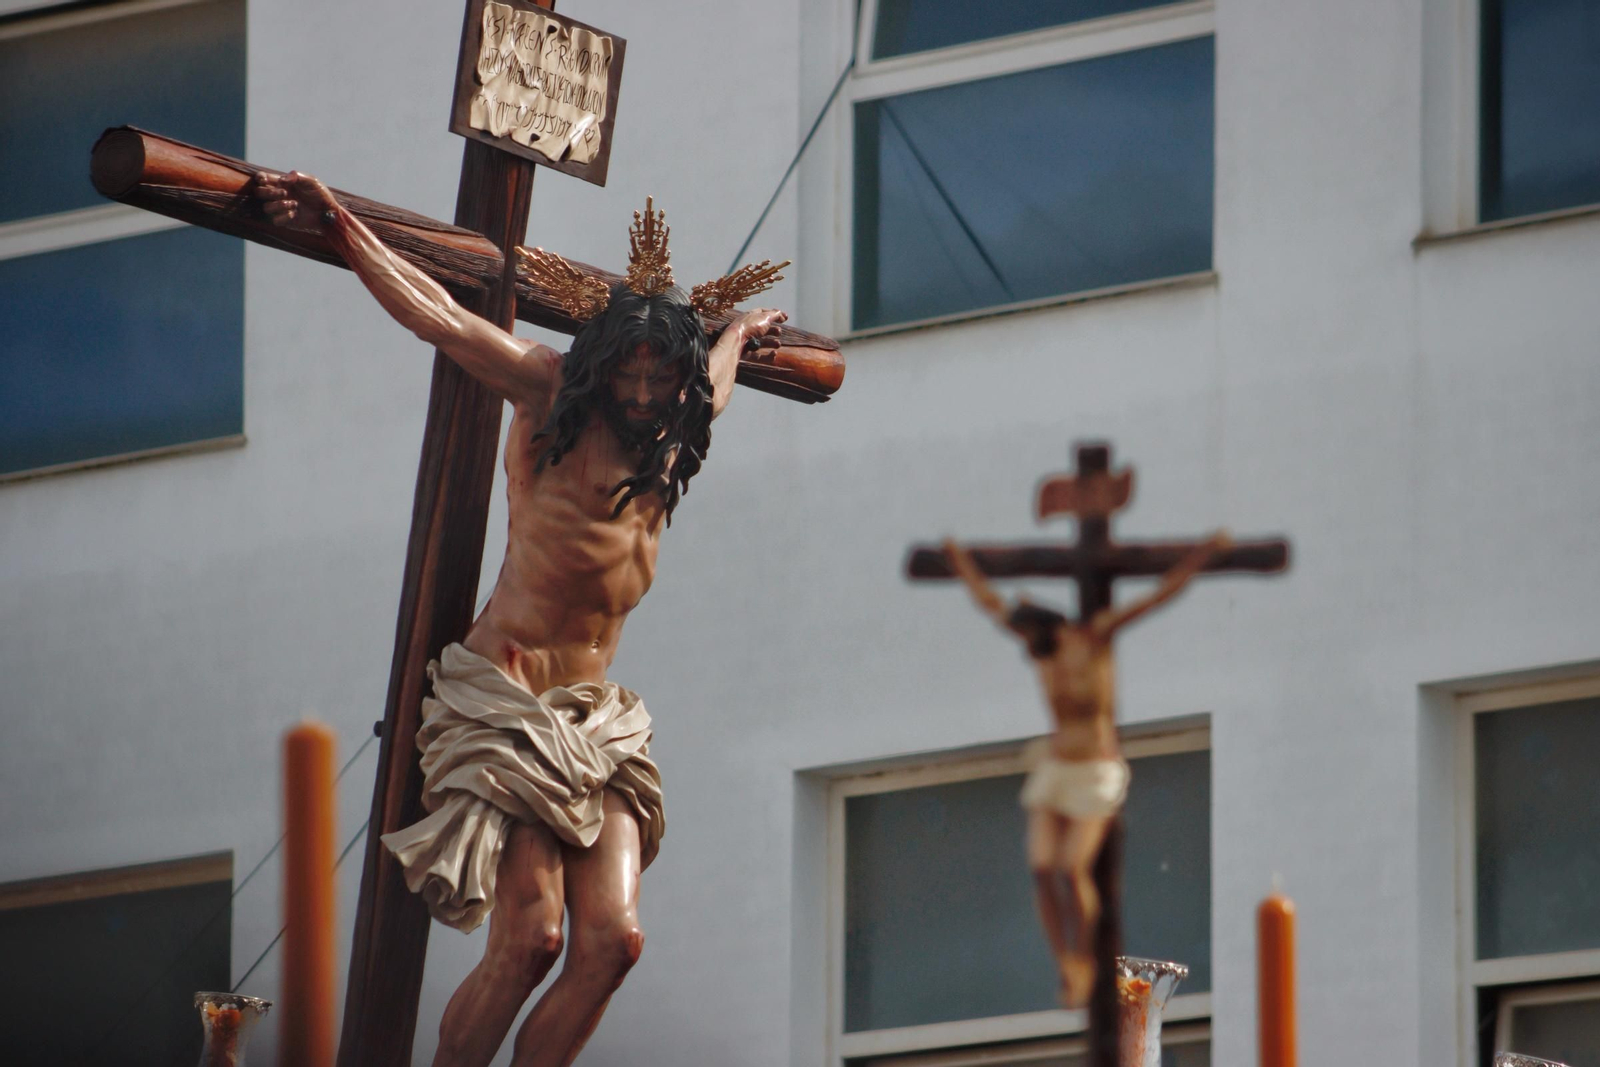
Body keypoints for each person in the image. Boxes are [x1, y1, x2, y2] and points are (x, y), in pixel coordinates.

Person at [257, 171, 787, 1067]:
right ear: (605, 355)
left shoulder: (680, 424)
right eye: (632, 364)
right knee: (531, 939)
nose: (648, 386)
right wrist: (341, 225)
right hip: (504, 698)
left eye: (665, 369)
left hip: (594, 719)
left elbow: (720, 381)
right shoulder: (548, 397)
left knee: (613, 942)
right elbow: (440, 316)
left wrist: (735, 332)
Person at [941, 533, 1230, 1007]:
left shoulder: (1093, 636)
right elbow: (991, 604)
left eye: (1033, 645)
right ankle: (1067, 965)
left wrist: (1203, 556)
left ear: (1047, 631)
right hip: (1056, 767)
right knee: (1040, 868)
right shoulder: (1044, 646)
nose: (1033, 657)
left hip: (1096, 770)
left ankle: (1086, 956)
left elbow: (1156, 596)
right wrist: (960, 564)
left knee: (1073, 870)